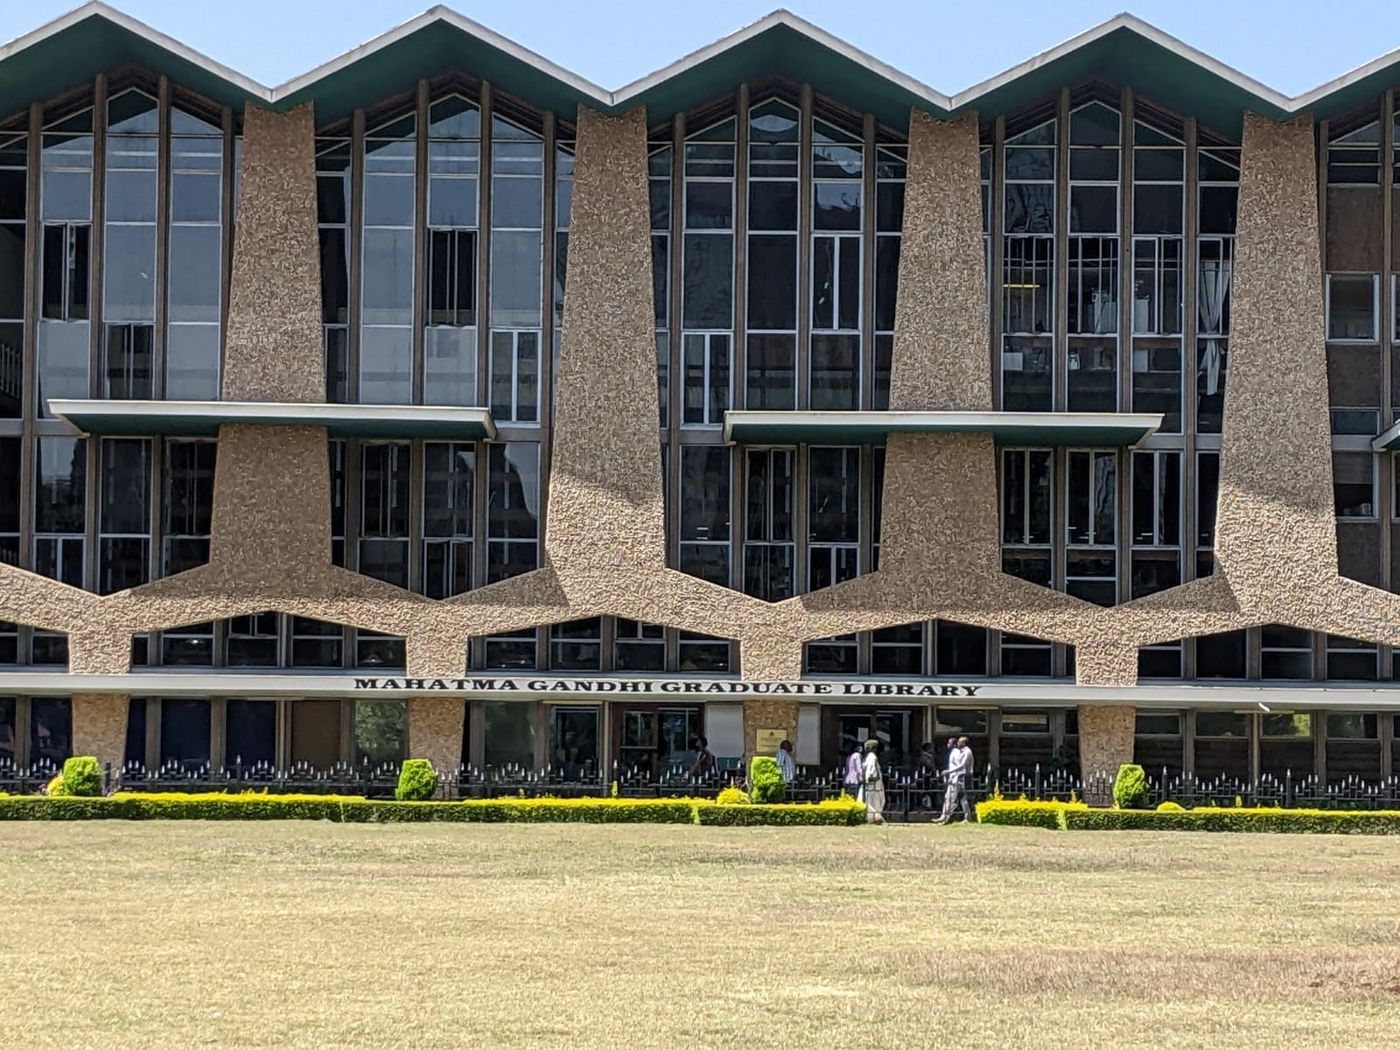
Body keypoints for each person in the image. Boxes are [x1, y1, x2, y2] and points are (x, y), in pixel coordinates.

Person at [936, 735, 973, 824]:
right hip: (958, 777)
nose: (958, 743)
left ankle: (946, 817)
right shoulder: (961, 751)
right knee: (962, 798)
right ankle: (967, 817)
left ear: (964, 743)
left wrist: (949, 772)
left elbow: (961, 766)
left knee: (951, 797)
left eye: (960, 742)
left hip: (961, 777)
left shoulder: (966, 752)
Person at [861, 738, 885, 824]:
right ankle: (875, 817)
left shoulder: (870, 757)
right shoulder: (872, 756)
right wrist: (870, 777)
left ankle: (875, 817)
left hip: (873, 782)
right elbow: (871, 770)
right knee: (876, 799)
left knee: (875, 799)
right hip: (874, 782)